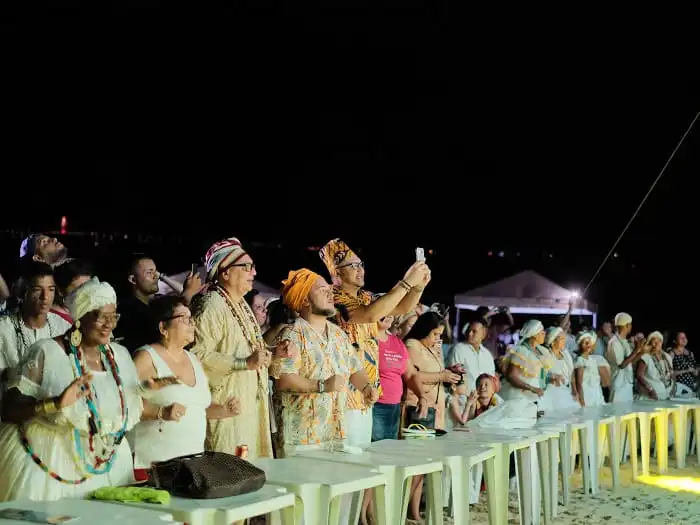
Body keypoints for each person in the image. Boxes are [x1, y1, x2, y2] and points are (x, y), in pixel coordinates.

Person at [0, 278, 143, 501]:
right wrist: (55, 404)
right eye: (100, 316)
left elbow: (122, 409)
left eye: (113, 316)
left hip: (108, 462)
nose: (109, 324)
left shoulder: (120, 355)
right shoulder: (47, 351)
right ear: (80, 318)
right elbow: (8, 408)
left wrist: (153, 397)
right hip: (52, 458)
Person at [190, 237, 293, 460]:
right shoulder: (210, 304)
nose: (253, 273)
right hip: (227, 408)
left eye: (253, 267)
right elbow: (197, 356)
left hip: (251, 409)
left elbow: (250, 353)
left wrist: (274, 354)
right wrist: (243, 364)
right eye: (246, 267)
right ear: (225, 272)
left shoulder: (241, 305)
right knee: (230, 475)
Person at [131, 296, 241, 475]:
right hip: (155, 465)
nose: (192, 324)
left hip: (191, 464)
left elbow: (198, 409)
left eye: (192, 319)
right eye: (184, 319)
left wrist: (224, 410)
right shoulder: (147, 357)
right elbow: (126, 403)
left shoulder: (193, 359)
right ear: (163, 327)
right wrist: (160, 412)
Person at [0, 262, 71, 395]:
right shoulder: (4, 329)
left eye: (51, 289)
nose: (45, 297)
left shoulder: (63, 327)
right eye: (37, 289)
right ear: (23, 292)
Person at [606, 312, 646, 403]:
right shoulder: (614, 342)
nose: (631, 326)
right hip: (618, 385)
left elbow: (629, 363)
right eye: (630, 324)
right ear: (627, 325)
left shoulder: (624, 341)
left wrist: (641, 353)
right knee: (617, 414)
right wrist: (636, 350)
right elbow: (621, 365)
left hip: (627, 384)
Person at [636, 331, 675, 400]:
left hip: (667, 395)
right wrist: (650, 389)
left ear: (662, 342)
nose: (656, 344)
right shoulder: (646, 356)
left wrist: (674, 387)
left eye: (659, 341)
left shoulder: (667, 357)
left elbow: (672, 374)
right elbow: (639, 375)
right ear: (650, 343)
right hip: (651, 396)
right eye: (654, 342)